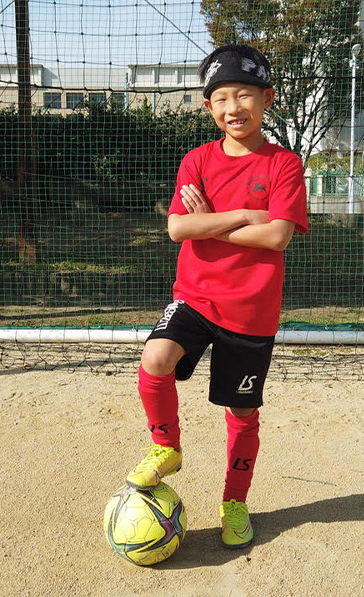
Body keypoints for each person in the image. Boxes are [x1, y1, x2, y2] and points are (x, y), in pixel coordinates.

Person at [125, 43, 309, 549]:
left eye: (245, 95)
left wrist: (210, 223)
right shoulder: (197, 160)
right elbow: (177, 228)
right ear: (208, 107)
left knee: (242, 413)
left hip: (251, 313)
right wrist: (241, 217)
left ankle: (234, 502)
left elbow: (277, 237)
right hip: (196, 297)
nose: (234, 107)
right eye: (222, 97)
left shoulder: (284, 165)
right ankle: (166, 446)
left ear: (266, 99)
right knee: (155, 356)